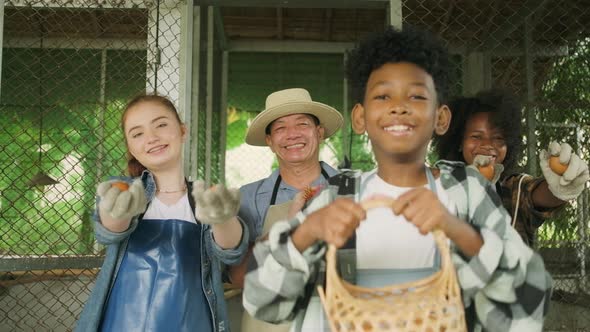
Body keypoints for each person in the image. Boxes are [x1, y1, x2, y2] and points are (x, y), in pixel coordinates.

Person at [243, 26, 553, 332]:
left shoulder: (466, 191)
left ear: (440, 118)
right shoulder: (338, 194)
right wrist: (306, 232)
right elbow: (266, 303)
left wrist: (457, 230)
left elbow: (528, 300)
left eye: (417, 95)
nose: (399, 107)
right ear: (361, 118)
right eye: (383, 95)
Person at [75, 94, 248, 332]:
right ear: (131, 148)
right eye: (138, 134)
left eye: (161, 125)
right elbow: (110, 230)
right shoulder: (123, 189)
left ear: (183, 131)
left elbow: (231, 250)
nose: (152, 138)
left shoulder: (205, 196)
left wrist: (222, 217)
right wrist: (119, 209)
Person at [227, 88, 343, 331]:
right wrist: (281, 237)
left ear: (319, 132)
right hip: (269, 322)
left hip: (335, 318)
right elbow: (237, 276)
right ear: (269, 141)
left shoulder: (348, 189)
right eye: (280, 128)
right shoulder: (247, 198)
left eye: (302, 124)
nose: (292, 134)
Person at [433, 89, 589, 247]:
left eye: (498, 138)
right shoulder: (439, 186)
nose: (487, 144)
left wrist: (560, 187)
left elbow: (538, 196)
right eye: (476, 136)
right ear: (459, 142)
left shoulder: (513, 188)